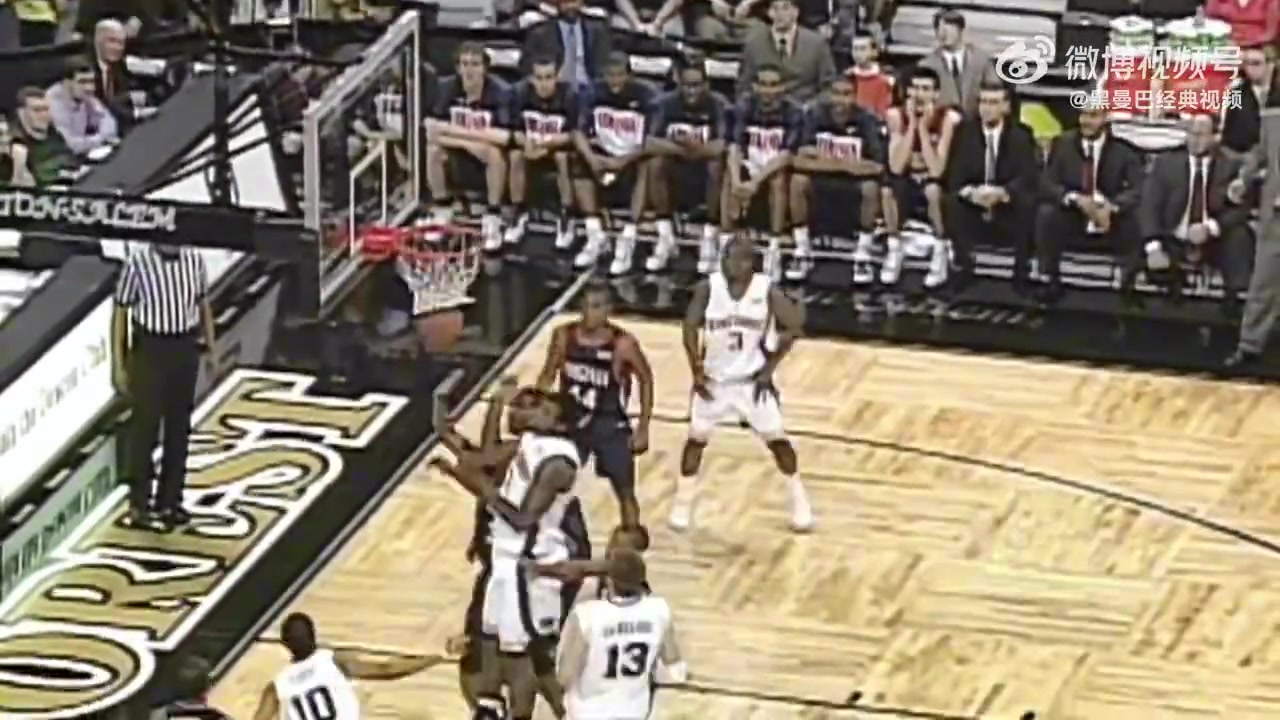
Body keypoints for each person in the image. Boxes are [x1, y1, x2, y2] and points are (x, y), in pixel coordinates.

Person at [437, 379, 587, 720]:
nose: (529, 412)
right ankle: (490, 709)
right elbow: (483, 458)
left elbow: (522, 519)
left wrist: (485, 490)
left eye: (542, 410)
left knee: (524, 658)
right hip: (506, 561)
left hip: (532, 569)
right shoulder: (529, 442)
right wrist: (493, 405)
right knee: (489, 642)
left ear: (559, 425)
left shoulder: (559, 463)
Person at [670, 236, 813, 532]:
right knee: (695, 441)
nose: (728, 263)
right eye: (725, 257)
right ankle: (682, 504)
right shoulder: (709, 288)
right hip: (714, 382)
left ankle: (800, 501)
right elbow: (689, 327)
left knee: (778, 442)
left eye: (735, 258)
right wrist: (696, 369)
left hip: (751, 383)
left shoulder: (766, 290)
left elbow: (794, 327)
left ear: (749, 262)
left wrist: (768, 370)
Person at [111, 243, 217, 532]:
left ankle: (170, 500)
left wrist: (211, 348)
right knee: (144, 428)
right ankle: (139, 503)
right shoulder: (137, 263)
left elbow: (203, 304)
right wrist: (118, 363)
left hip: (184, 346)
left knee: (179, 428)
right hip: (150, 349)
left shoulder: (194, 259)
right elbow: (120, 312)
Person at [536, 281, 654, 528]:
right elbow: (547, 376)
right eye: (586, 306)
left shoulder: (623, 344)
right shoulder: (563, 336)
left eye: (597, 306)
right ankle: (540, 532)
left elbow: (645, 379)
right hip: (570, 422)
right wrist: (539, 413)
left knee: (625, 491)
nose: (589, 312)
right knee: (547, 482)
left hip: (608, 422)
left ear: (608, 309)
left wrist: (643, 427)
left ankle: (631, 539)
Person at [1139, 113, 1252, 310]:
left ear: (1216, 137)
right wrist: (1153, 247)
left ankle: (1235, 302)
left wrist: (1210, 228)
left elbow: (1241, 209)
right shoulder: (1166, 163)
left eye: (1200, 135)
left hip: (1213, 240)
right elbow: (1149, 205)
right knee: (1138, 235)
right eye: (1190, 133)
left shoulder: (1230, 165)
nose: (1194, 139)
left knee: (1240, 236)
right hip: (1173, 237)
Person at [557, 550, 687, 720]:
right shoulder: (659, 610)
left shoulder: (586, 615)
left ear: (609, 580)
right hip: (635, 712)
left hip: (587, 713)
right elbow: (675, 669)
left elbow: (565, 676)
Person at [1035, 101, 1144, 304]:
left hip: (1109, 216)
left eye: (1093, 116)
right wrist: (1074, 198)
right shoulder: (1062, 144)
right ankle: (1050, 280)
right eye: (1083, 115)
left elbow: (1138, 189)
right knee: (1046, 214)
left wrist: (1111, 207)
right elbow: (1047, 184)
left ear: (1106, 118)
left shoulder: (1124, 151)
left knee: (1134, 219)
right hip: (1074, 213)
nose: (1086, 121)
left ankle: (1129, 287)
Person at [250, 612, 446, 720]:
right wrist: (433, 659)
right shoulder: (334, 662)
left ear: (285, 644)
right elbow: (388, 670)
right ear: (314, 634)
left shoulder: (277, 686)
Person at [790, 73, 886, 283]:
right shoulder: (813, 116)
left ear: (855, 96)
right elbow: (797, 160)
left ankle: (863, 255)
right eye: (836, 93)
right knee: (797, 181)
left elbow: (877, 166)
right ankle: (802, 251)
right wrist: (846, 165)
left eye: (846, 94)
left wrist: (822, 160)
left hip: (853, 183)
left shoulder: (866, 119)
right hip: (820, 180)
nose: (841, 99)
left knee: (871, 188)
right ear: (827, 95)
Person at [944, 82, 1039, 292]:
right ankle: (964, 267)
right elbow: (955, 174)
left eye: (993, 103)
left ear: (1006, 106)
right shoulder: (964, 132)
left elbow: (1027, 175)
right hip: (975, 201)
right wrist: (971, 193)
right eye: (983, 102)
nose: (987, 108)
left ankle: (1021, 273)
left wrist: (1004, 193)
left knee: (1028, 202)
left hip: (1007, 202)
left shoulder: (1021, 135)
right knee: (952, 202)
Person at [571, 52, 658, 275]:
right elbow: (578, 132)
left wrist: (622, 161)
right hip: (603, 153)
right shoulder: (593, 93)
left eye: (620, 75)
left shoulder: (647, 96)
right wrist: (592, 158)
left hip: (633, 156)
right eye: (610, 75)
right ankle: (595, 234)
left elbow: (652, 142)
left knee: (649, 164)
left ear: (630, 75)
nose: (615, 80)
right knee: (578, 159)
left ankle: (628, 236)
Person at [646, 58, 730, 274]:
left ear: (706, 85)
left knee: (716, 165)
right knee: (655, 163)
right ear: (679, 84)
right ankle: (665, 236)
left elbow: (721, 146)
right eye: (686, 85)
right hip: (677, 169)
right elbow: (650, 142)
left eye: (696, 85)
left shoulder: (718, 104)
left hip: (705, 171)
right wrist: (683, 149)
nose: (691, 91)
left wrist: (694, 148)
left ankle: (709, 237)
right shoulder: (665, 104)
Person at [427, 41, 512, 250]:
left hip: (488, 155)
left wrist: (454, 132)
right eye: (464, 64)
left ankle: (493, 215)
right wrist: (469, 141)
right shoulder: (446, 87)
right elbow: (431, 128)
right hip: (462, 149)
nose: (469, 70)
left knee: (494, 154)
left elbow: (504, 137)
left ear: (485, 68)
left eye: (475, 64)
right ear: (458, 68)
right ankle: (442, 208)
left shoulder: (501, 91)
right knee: (433, 150)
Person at [724, 63, 805, 281]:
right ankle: (725, 243)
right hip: (751, 160)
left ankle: (774, 247)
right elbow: (734, 147)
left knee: (778, 181)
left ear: (784, 87)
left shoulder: (794, 112)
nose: (768, 90)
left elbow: (787, 155)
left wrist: (755, 182)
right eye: (763, 84)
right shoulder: (743, 107)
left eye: (774, 85)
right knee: (729, 176)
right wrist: (736, 181)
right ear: (754, 86)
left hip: (775, 165)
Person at [882, 67, 960, 288]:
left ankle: (941, 249)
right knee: (887, 190)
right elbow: (896, 166)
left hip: (937, 181)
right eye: (914, 88)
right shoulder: (895, 115)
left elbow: (936, 169)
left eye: (925, 89)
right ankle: (894, 248)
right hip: (907, 177)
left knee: (933, 190)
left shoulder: (948, 119)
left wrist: (924, 129)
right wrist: (912, 126)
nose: (919, 94)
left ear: (936, 94)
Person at [506, 54, 581, 250]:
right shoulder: (520, 93)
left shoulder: (570, 96)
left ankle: (567, 214)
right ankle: (519, 211)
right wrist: (527, 144)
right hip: (531, 146)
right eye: (539, 78)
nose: (544, 83)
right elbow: (515, 131)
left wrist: (547, 145)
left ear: (557, 77)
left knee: (562, 158)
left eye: (549, 77)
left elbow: (573, 134)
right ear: (531, 79)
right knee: (515, 156)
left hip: (558, 147)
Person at [1226, 103, 1280, 368]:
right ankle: (1249, 346)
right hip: (1276, 217)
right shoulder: (1272, 119)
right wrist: (1243, 179)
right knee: (1262, 283)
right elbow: (1259, 153)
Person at [736, 0, 836, 103]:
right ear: (769, 13)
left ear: (796, 12)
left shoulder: (816, 43)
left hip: (804, 106)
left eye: (785, 8)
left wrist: (812, 106)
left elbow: (828, 86)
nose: (779, 14)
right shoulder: (754, 43)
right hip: (764, 108)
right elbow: (744, 86)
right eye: (775, 8)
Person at [917, 9, 999, 115]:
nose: (943, 34)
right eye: (939, 29)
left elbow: (996, 91)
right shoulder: (926, 65)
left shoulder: (981, 60)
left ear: (961, 30)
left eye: (949, 29)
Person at [521, 0, 612, 94]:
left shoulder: (597, 30)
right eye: (566, 2)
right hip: (556, 92)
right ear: (558, 4)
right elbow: (526, 66)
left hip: (590, 89)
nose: (570, 7)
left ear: (581, 2)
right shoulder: (540, 34)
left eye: (574, 2)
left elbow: (605, 64)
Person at [46, 55, 119, 156]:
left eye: (92, 81)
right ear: (66, 82)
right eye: (82, 82)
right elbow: (69, 145)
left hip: (84, 153)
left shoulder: (85, 97)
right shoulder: (53, 104)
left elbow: (108, 121)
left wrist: (101, 137)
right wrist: (101, 139)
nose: (89, 88)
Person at [847, 32, 893, 120]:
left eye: (862, 49)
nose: (858, 53)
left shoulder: (885, 80)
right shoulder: (847, 77)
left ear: (874, 52)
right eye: (855, 49)